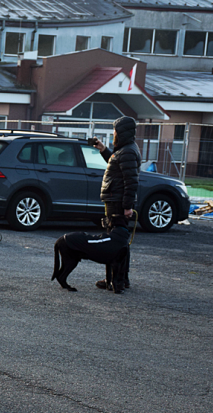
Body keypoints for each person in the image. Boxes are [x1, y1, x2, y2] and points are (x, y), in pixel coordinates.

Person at [91, 116, 140, 290]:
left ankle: (115, 280)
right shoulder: (126, 149)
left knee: (114, 243)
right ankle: (119, 278)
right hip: (116, 200)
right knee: (120, 242)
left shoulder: (127, 151)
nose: (113, 133)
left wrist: (127, 206)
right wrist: (104, 150)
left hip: (117, 202)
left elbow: (131, 181)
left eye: (115, 130)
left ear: (120, 132)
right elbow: (117, 164)